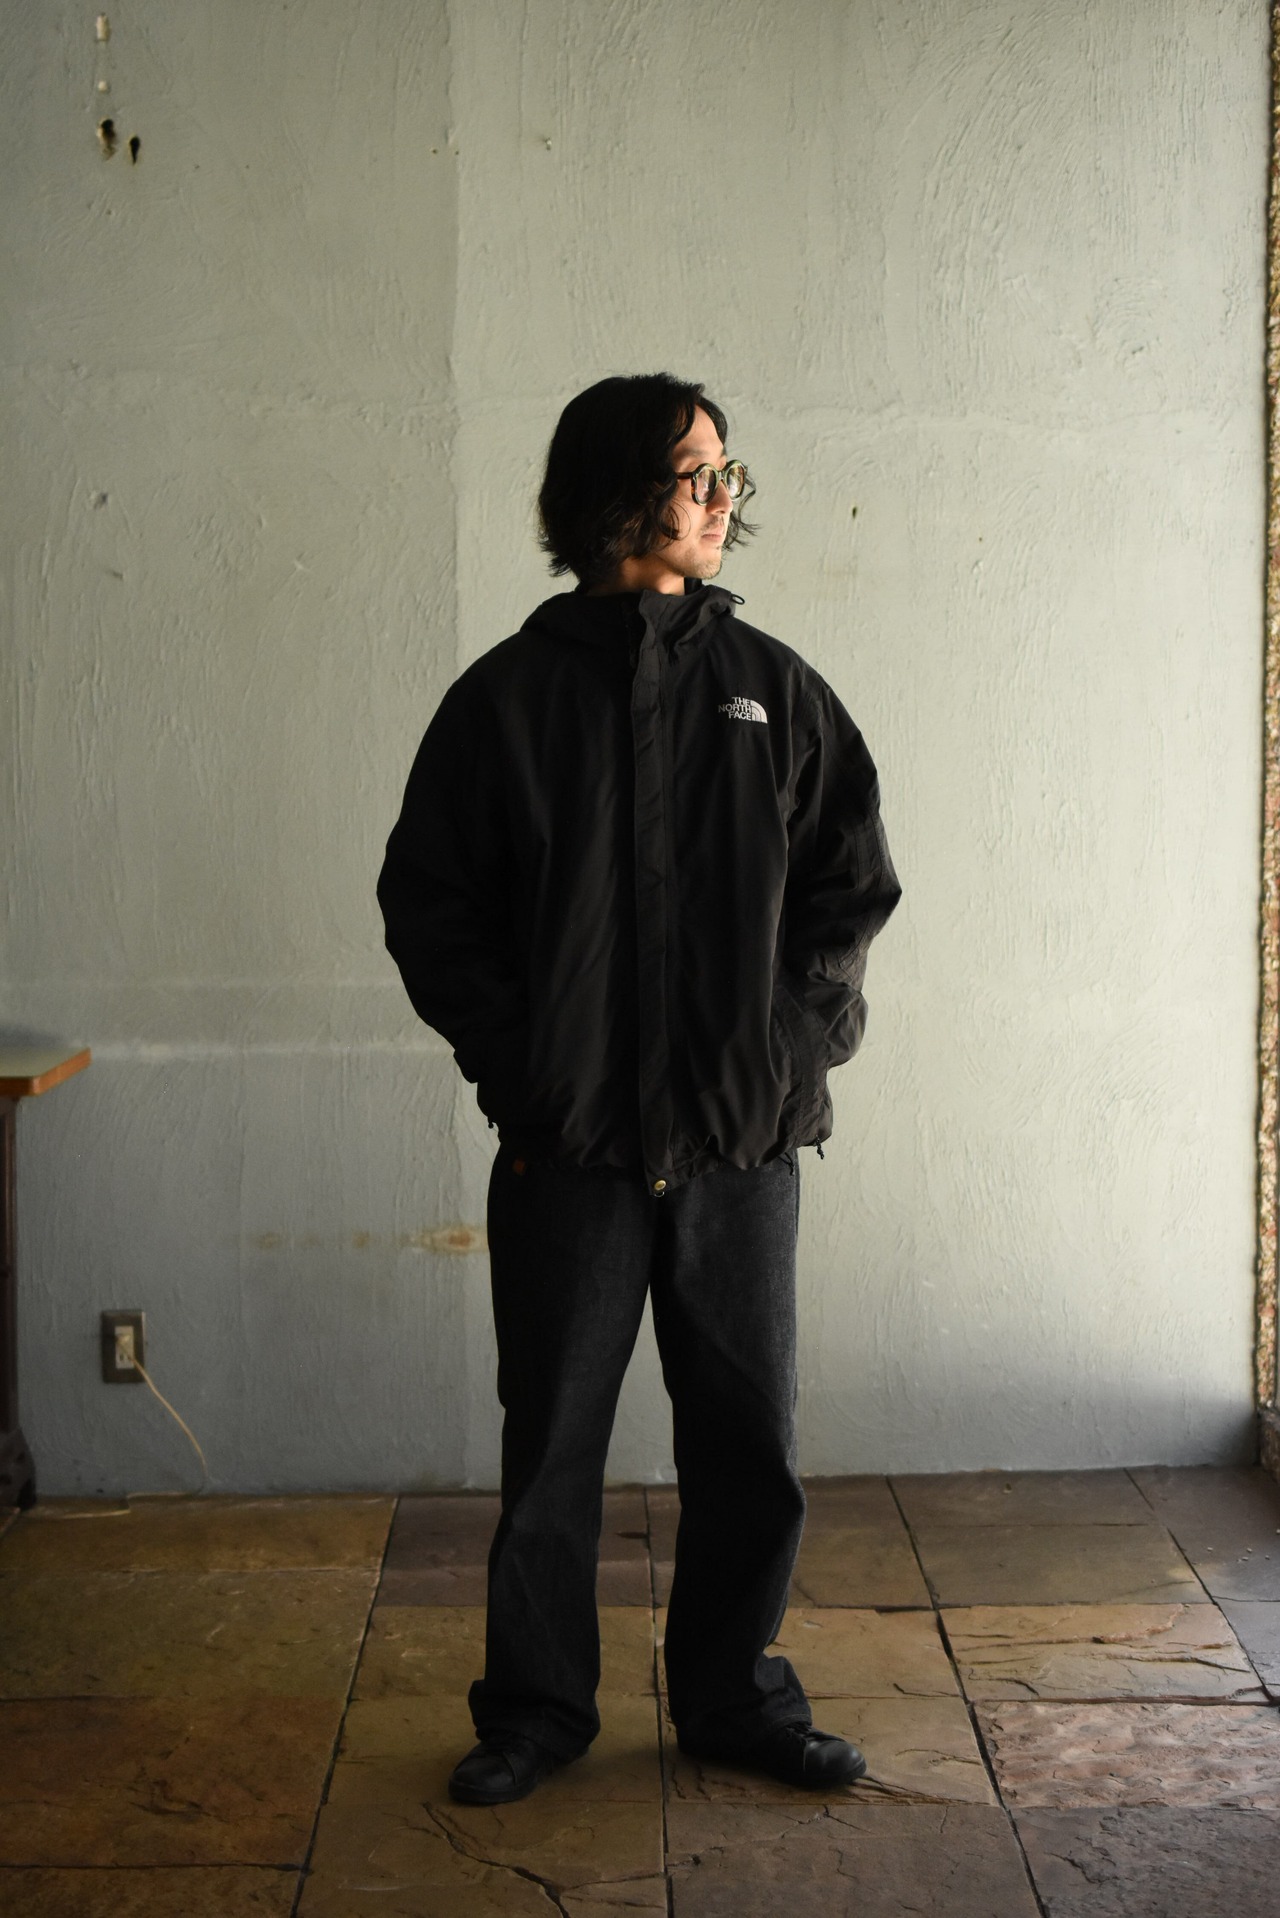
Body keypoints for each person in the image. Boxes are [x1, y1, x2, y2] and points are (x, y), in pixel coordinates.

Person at [377, 372, 901, 1806]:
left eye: (731, 474)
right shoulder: (506, 702)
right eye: (696, 474)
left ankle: (736, 1698)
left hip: (740, 1147)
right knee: (552, 1445)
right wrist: (523, 1060)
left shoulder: (776, 692)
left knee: (750, 1445)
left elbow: (852, 886)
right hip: (574, 1150)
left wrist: (791, 1051)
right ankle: (537, 1709)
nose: (723, 500)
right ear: (616, 496)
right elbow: (430, 903)